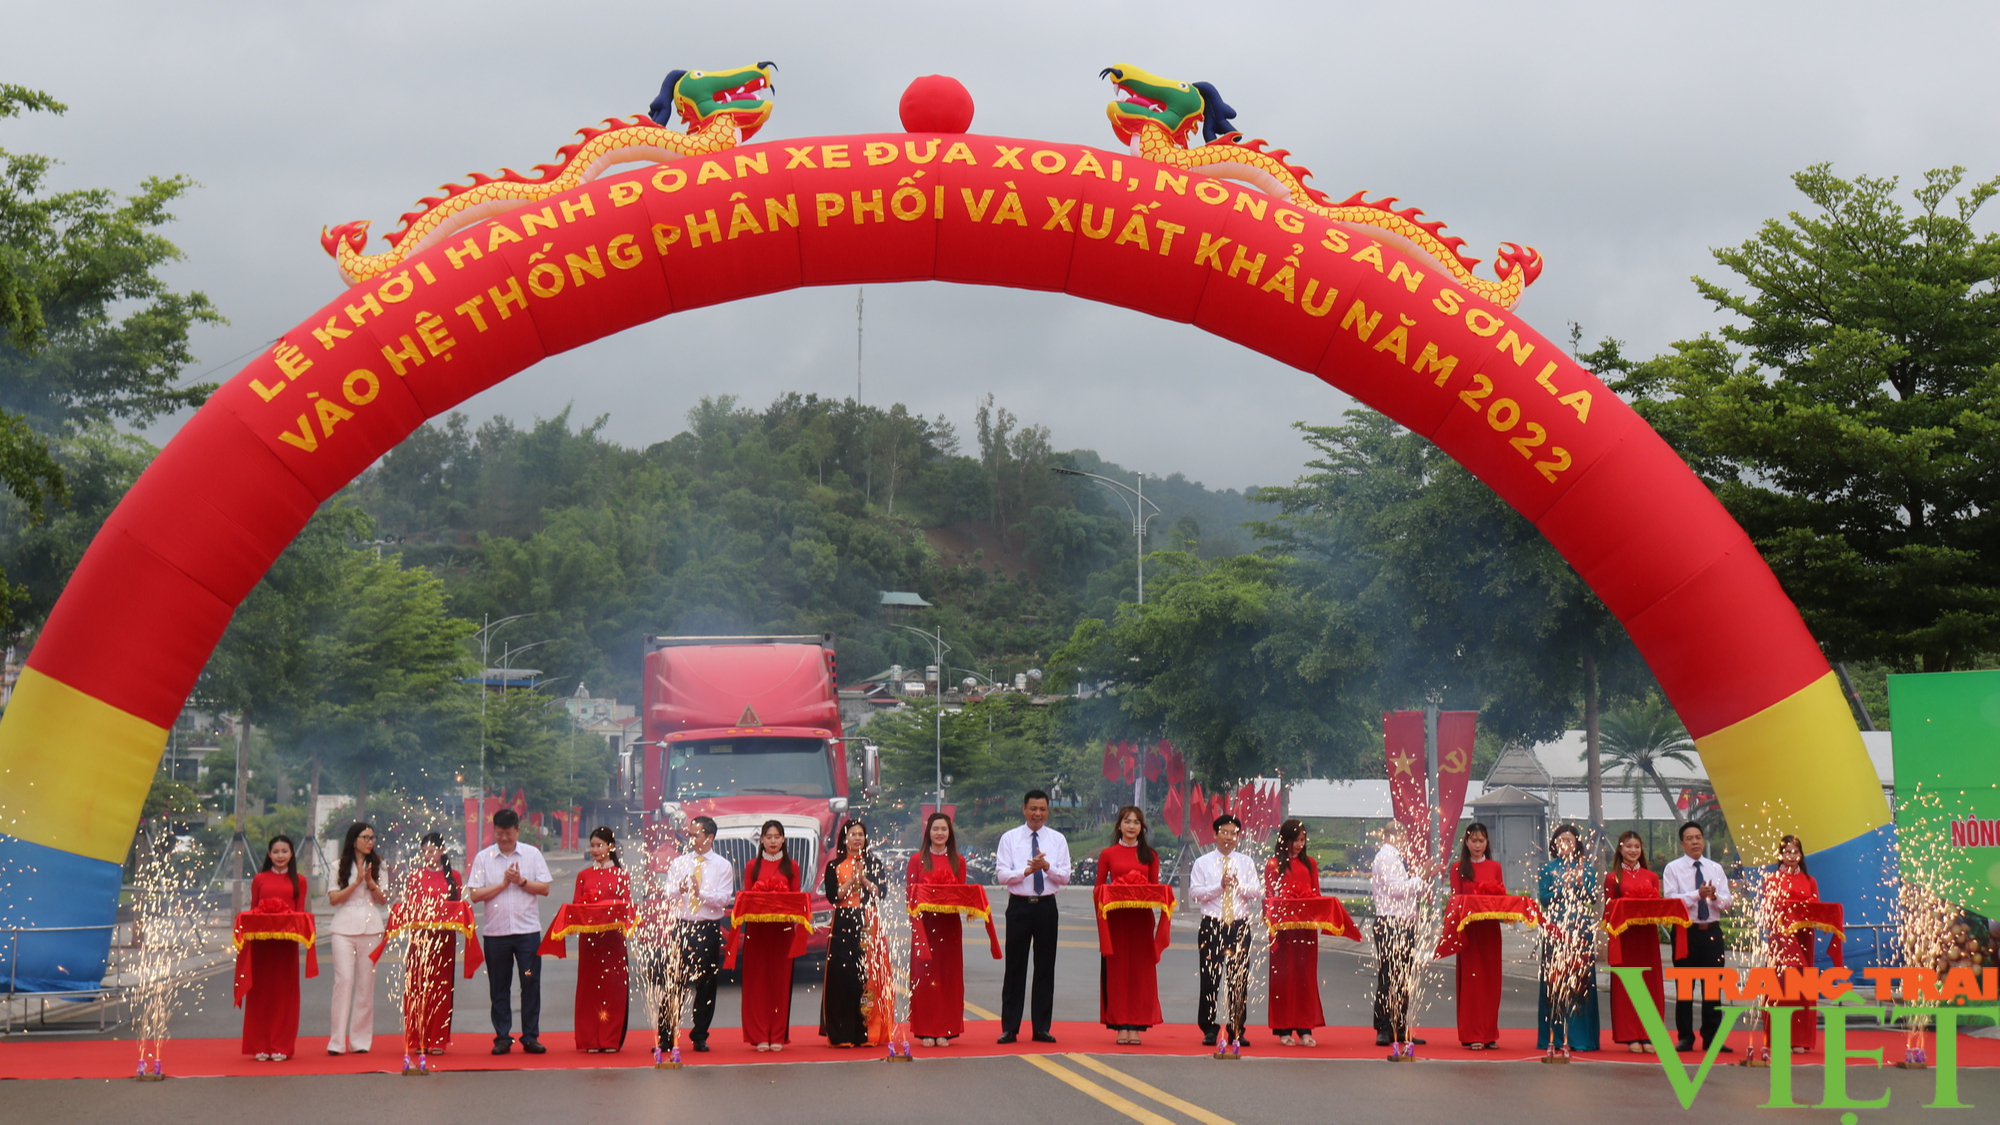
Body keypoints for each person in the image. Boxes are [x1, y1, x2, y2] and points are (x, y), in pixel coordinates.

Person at [467, 807, 552, 1055]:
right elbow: (475, 894)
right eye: (500, 833)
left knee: (530, 982)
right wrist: (504, 884)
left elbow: (545, 888)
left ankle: (530, 1035)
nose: (504, 838)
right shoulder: (484, 858)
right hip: (496, 934)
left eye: (508, 833)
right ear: (494, 831)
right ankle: (502, 1037)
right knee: (499, 986)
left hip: (527, 933)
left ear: (517, 830)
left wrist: (521, 882)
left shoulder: (531, 854)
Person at [995, 789, 1071, 1044]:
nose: (1037, 814)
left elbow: (1065, 876)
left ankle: (1041, 1027)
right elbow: (1002, 875)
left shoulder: (1058, 840)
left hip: (1046, 907)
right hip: (1019, 906)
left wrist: (1046, 867)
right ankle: (1010, 1027)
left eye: (1042, 809)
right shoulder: (1010, 838)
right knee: (1015, 967)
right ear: (1024, 809)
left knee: (1045, 968)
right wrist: (1027, 871)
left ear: (1048, 811)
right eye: (1033, 809)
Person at [658, 815, 732, 1053]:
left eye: (695, 834)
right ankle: (666, 1035)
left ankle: (699, 1034)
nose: (690, 838)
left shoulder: (722, 865)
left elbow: (724, 899)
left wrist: (701, 894)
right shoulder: (679, 862)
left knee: (705, 982)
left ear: (709, 837)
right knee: (674, 981)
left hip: (707, 927)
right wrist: (679, 890)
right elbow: (667, 892)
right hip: (682, 925)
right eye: (689, 834)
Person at [1661, 820, 1733, 1054]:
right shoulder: (1673, 868)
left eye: (1699, 837)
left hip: (1711, 931)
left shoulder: (1715, 868)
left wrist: (1714, 898)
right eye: (1690, 838)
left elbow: (1728, 901)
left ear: (1703, 840)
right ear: (1682, 843)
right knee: (1685, 987)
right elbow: (1671, 900)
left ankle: (1712, 1038)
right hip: (1686, 932)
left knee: (1712, 988)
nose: (1695, 842)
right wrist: (1696, 894)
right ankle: (1685, 1038)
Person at [1190, 813, 1261, 1047]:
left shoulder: (1246, 862)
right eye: (1225, 832)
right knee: (1210, 979)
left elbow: (1256, 892)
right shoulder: (1203, 863)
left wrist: (1238, 884)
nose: (1229, 838)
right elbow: (1195, 893)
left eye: (1234, 833)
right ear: (1215, 834)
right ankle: (1209, 1028)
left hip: (1238, 926)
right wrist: (1218, 887)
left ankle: (1237, 1028)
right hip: (1212, 924)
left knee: (1238, 980)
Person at [1095, 805, 1164, 1045]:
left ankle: (1136, 1024)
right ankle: (1120, 1024)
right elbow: (1098, 889)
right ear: (1119, 826)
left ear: (1141, 827)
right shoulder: (1108, 854)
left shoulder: (1150, 855)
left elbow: (1156, 890)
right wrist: (1116, 891)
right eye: (1127, 821)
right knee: (1117, 972)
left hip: (1141, 921)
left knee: (1139, 974)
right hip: (1116, 921)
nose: (1131, 826)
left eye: (1136, 822)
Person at [820, 819, 892, 1047]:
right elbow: (833, 897)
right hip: (843, 921)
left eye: (861, 834)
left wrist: (864, 880)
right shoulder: (834, 866)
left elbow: (881, 893)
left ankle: (867, 1032)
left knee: (868, 975)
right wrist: (852, 880)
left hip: (867, 921)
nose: (857, 838)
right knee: (842, 976)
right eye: (853, 834)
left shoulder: (874, 863)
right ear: (844, 839)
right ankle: (843, 1033)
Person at [1535, 825, 1601, 1058]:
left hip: (1580, 929)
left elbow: (1592, 897)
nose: (1566, 844)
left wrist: (1581, 884)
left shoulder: (1587, 869)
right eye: (1561, 839)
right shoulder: (1547, 869)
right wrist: (1563, 886)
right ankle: (1552, 1036)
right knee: (1555, 982)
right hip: (1556, 930)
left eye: (1570, 840)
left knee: (1580, 984)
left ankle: (1581, 1037)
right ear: (1555, 844)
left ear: (1577, 843)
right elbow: (1543, 899)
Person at [242, 835, 307, 1061]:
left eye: (285, 851)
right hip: (261, 946)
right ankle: (259, 1044)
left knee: (284, 995)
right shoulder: (259, 879)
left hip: (286, 947)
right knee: (260, 993)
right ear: (269, 855)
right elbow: (253, 911)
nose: (280, 856)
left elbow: (299, 915)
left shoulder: (300, 880)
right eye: (276, 852)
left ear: (291, 854)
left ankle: (281, 1045)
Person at [907, 812, 969, 1047]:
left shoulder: (958, 861)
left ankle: (945, 1029)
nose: (940, 833)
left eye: (944, 829)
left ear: (949, 833)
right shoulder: (917, 860)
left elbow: (962, 893)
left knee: (948, 977)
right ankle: (926, 1029)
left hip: (950, 926)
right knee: (925, 977)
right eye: (935, 829)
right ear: (928, 832)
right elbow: (910, 894)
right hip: (924, 925)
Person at [741, 819, 803, 1051]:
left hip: (782, 932)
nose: (773, 841)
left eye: (777, 837)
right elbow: (746, 898)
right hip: (757, 932)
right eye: (769, 837)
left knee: (779, 982)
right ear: (762, 840)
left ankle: (777, 1035)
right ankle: (759, 1035)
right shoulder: (752, 866)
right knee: (756, 983)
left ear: (783, 840)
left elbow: (796, 899)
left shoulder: (792, 866)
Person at [326, 821, 386, 1055]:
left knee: (365, 986)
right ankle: (337, 1041)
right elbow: (334, 899)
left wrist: (370, 882)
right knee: (343, 982)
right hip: (343, 928)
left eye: (372, 837)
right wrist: (357, 882)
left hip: (371, 928)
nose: (370, 842)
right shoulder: (337, 866)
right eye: (365, 837)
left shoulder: (380, 865)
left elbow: (382, 900)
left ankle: (360, 1040)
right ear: (354, 840)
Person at [1262, 818, 1323, 1047]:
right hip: (1283, 932)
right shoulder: (1274, 864)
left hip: (1306, 931)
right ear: (1284, 840)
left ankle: (1305, 1029)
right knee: (1283, 978)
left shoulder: (1311, 864)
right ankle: (1283, 1029)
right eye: (1295, 840)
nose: (1299, 844)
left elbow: (1316, 895)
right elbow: (1270, 898)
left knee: (1305, 977)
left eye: (1302, 840)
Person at [1604, 830, 1665, 1053]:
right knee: (1627, 985)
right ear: (1620, 849)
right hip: (1626, 937)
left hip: (1647, 937)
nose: (1632, 850)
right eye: (1628, 846)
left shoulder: (1651, 877)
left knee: (1650, 983)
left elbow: (1657, 905)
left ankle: (1649, 1034)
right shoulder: (1613, 878)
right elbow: (1609, 910)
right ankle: (1630, 1034)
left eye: (1636, 847)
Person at [402, 832, 462, 1055]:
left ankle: (437, 1038)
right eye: (425, 850)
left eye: (433, 850)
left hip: (444, 939)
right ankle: (417, 1037)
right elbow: (411, 905)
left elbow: (458, 907)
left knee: (441, 987)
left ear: (442, 851)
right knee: (418, 986)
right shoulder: (415, 875)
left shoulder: (453, 876)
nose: (429, 854)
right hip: (420, 939)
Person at [1764, 835, 1824, 1054]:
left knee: (1802, 985)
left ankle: (1800, 1038)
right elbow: (1768, 912)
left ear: (1801, 854)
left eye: (1795, 852)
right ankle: (1779, 1036)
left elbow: (1816, 909)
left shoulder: (1810, 881)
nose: (1791, 856)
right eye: (1787, 852)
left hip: (1803, 938)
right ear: (1780, 855)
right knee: (1781, 985)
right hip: (1781, 939)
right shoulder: (1771, 879)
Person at [572, 826, 631, 1052]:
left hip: (613, 940)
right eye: (593, 845)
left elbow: (626, 905)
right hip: (589, 940)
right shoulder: (583, 876)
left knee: (612, 987)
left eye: (600, 845)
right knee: (589, 988)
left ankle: (609, 1039)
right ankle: (589, 1039)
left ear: (611, 847)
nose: (595, 849)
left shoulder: (621, 874)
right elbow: (576, 906)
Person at [1370, 821, 1427, 1054]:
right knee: (1390, 975)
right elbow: (1396, 889)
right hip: (1391, 921)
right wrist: (1419, 878)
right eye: (1403, 836)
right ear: (1395, 836)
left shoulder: (1395, 857)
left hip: (1402, 921)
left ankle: (1399, 1024)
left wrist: (1419, 880)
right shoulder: (1388, 857)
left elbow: (1409, 889)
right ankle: (1384, 1025)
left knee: (1402, 976)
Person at [1449, 821, 1505, 1049]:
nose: (1477, 845)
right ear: (1466, 841)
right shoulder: (1458, 868)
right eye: (1473, 840)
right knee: (1473, 984)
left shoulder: (1495, 867)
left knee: (1492, 982)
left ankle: (1489, 1033)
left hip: (1490, 931)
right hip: (1470, 933)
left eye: (1481, 841)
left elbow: (1501, 898)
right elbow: (1454, 902)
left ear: (1487, 842)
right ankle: (1472, 1034)